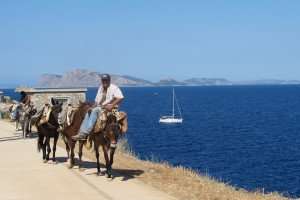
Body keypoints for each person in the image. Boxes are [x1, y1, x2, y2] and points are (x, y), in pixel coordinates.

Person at [72, 74, 124, 140]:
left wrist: (112, 105)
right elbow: (97, 101)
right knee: (89, 111)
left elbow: (120, 97)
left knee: (95, 110)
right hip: (100, 107)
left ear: (109, 80)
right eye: (103, 80)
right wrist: (91, 107)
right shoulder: (100, 88)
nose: (104, 82)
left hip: (109, 108)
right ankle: (81, 133)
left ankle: (86, 132)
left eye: (106, 80)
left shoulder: (114, 88)